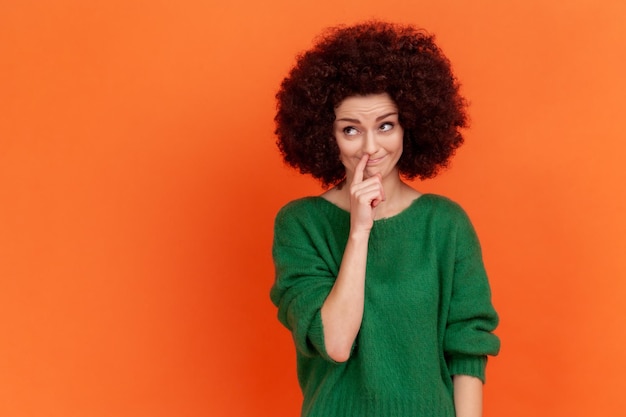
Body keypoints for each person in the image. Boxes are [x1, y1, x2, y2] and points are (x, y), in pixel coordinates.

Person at [269, 21, 500, 417]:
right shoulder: (300, 224)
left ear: (410, 125)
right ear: (327, 136)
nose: (371, 148)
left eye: (386, 125)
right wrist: (359, 230)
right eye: (351, 130)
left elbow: (467, 350)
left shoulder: (445, 225)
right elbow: (336, 342)